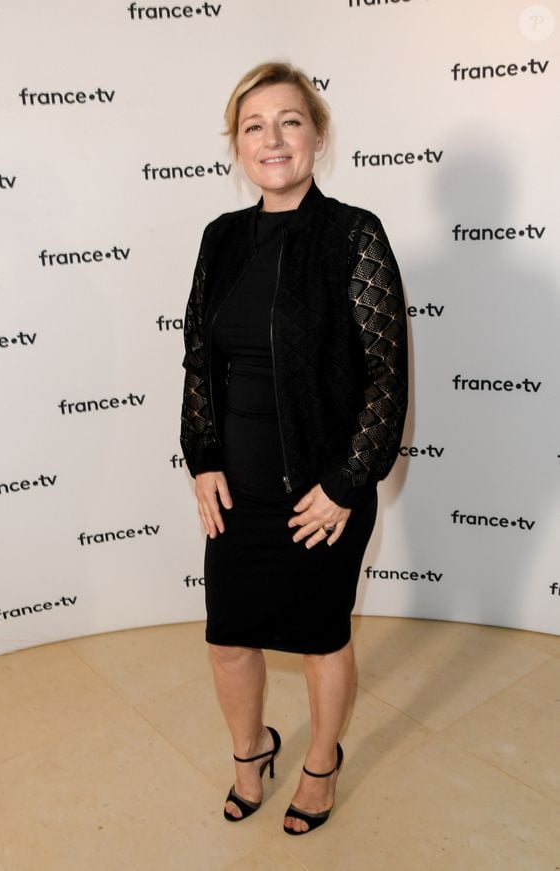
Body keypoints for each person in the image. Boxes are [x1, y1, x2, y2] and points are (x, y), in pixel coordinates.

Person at [180, 61, 408, 835]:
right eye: (254, 125)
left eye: (289, 121)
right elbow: (200, 363)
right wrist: (203, 458)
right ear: (237, 144)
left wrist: (347, 482)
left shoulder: (352, 234)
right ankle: (252, 752)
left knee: (321, 636)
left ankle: (321, 761)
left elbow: (385, 375)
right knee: (227, 637)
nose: (272, 138)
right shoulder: (220, 239)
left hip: (321, 487)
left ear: (316, 135)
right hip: (237, 486)